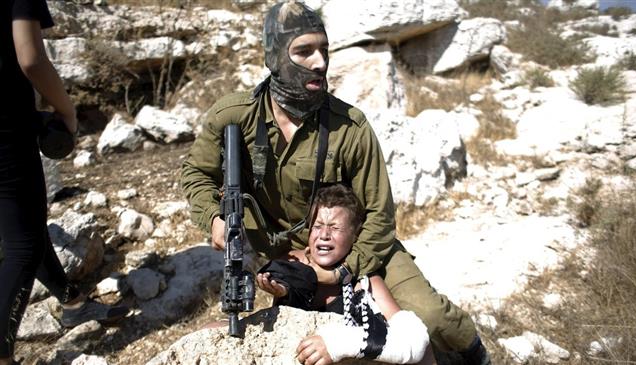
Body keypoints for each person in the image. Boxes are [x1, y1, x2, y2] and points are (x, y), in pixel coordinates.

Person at [180, 1, 490, 364]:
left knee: (433, 318)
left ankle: (475, 354)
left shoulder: (350, 126)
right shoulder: (233, 116)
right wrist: (215, 218)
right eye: (304, 51)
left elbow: (379, 215)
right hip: (290, 257)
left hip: (357, 245)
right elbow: (197, 174)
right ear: (276, 56)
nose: (320, 62)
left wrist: (340, 272)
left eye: (324, 50)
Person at [0, 1, 128, 364]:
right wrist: (67, 111)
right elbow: (31, 59)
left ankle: (73, 302)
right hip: (7, 132)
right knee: (22, 247)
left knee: (24, 227)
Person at [257, 184, 434, 365]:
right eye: (317, 226)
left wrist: (338, 344)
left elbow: (415, 342)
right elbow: (277, 275)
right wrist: (283, 289)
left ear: (355, 236)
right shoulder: (292, 262)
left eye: (335, 228)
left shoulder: (364, 283)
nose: (324, 235)